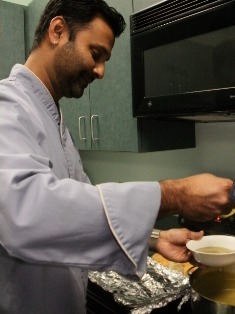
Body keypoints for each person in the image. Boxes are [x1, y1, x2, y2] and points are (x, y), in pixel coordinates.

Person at [0, 0, 233, 313]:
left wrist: (156, 237)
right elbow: (25, 214)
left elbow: (79, 209)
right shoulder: (8, 105)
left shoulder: (54, 120)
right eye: (96, 54)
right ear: (58, 31)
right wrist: (173, 195)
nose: (101, 71)